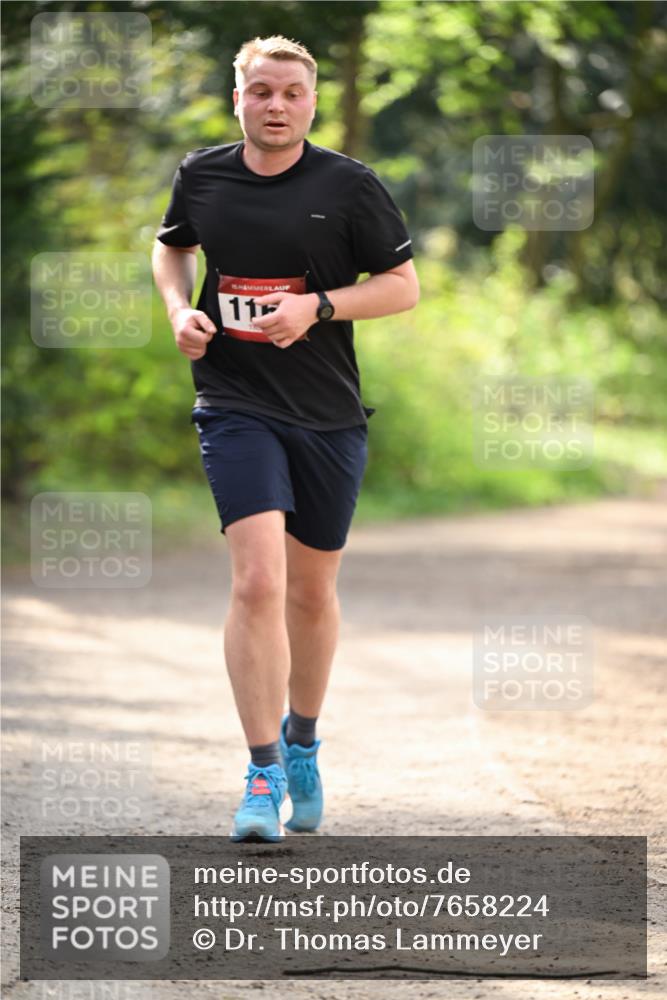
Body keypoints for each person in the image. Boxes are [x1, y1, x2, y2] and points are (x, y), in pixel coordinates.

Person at [152, 35, 419, 841]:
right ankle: (262, 773)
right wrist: (179, 313)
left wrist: (319, 308)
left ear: (309, 101)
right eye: (260, 91)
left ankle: (303, 741)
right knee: (258, 583)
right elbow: (172, 252)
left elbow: (403, 288)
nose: (275, 105)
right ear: (237, 97)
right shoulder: (203, 175)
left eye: (291, 93)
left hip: (328, 413)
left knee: (309, 591)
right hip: (234, 400)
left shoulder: (349, 186)